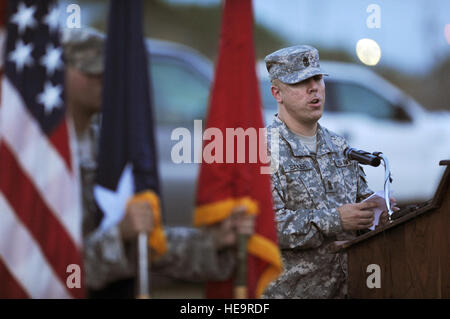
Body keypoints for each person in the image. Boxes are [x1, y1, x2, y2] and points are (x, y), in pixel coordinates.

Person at [63, 28, 254, 298]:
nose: (104, 80)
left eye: (108, 71)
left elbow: (147, 245)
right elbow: (50, 269)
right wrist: (119, 235)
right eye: (91, 70)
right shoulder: (33, 158)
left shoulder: (109, 148)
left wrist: (212, 243)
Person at [262, 45, 397, 298]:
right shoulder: (261, 150)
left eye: (317, 78)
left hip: (348, 289)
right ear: (277, 93)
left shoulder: (339, 146)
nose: (314, 88)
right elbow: (267, 227)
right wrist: (336, 219)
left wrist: (376, 213)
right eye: (301, 82)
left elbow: (358, 203)